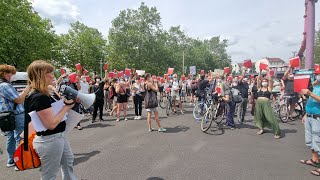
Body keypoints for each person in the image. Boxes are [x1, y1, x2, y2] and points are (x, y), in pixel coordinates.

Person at [26, 60, 77, 179]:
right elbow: (51, 124)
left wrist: (66, 104)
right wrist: (66, 107)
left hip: (58, 137)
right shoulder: (39, 97)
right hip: (50, 140)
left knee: (68, 162)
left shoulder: (44, 94)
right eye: (50, 72)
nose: (53, 76)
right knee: (50, 175)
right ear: (41, 74)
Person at [0, 64, 30, 168]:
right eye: (11, 73)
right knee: (20, 137)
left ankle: (11, 159)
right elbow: (18, 100)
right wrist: (27, 89)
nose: (13, 75)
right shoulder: (5, 85)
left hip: (6, 116)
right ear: (4, 74)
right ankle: (20, 161)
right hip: (16, 115)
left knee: (10, 138)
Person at [300, 74, 320, 176]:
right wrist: (306, 114)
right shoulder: (316, 86)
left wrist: (310, 93)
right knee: (310, 140)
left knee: (318, 141)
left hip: (318, 117)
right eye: (316, 74)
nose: (317, 76)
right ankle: (314, 159)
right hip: (310, 116)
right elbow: (310, 100)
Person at [254, 69, 281, 139]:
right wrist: (259, 71)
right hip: (258, 103)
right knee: (258, 117)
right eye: (263, 81)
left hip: (266, 104)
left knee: (270, 117)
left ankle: (277, 132)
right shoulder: (259, 88)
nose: (264, 82)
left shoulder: (269, 88)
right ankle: (261, 128)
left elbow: (270, 80)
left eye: (265, 81)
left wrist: (267, 71)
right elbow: (258, 80)